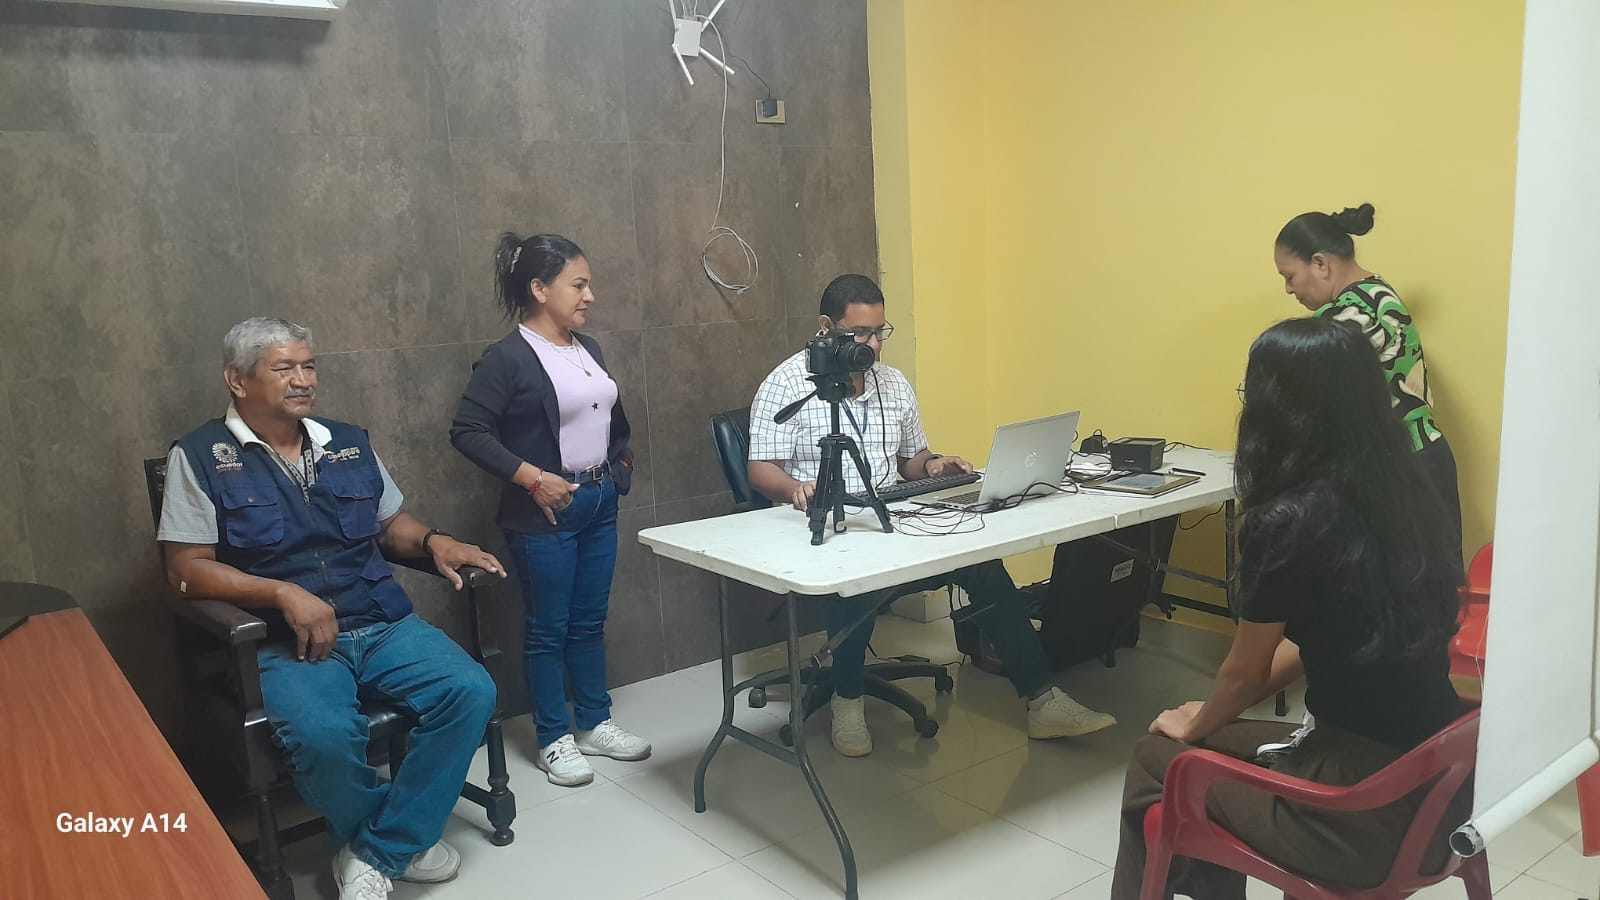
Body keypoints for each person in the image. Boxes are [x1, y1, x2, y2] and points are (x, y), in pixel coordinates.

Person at [1110, 317, 1465, 899]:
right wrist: (1214, 716)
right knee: (1202, 739)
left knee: (1157, 756)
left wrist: (1199, 721)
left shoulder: (1289, 520)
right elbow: (1319, 641)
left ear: (1277, 411)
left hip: (1359, 809)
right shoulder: (1408, 491)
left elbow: (1245, 671)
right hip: (1440, 787)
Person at [159, 317, 504, 900]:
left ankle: (378, 850)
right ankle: (400, 840)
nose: (303, 379)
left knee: (470, 690)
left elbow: (390, 525)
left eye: (309, 365)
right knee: (321, 735)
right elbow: (185, 569)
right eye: (284, 368)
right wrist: (280, 593)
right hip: (287, 640)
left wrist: (433, 541)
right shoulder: (200, 456)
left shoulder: (346, 441)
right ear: (237, 380)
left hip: (379, 619)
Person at [746, 273, 1116, 758]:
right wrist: (795, 488)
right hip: (824, 525)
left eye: (880, 332)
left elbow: (910, 460)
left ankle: (1042, 700)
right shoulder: (787, 383)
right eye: (861, 333)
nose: (873, 345)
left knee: (982, 565)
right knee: (859, 582)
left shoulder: (893, 382)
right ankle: (847, 700)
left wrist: (934, 465)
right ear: (826, 327)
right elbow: (760, 469)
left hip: (891, 516)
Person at [450, 232, 649, 787]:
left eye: (589, 285)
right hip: (544, 514)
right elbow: (467, 430)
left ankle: (594, 722)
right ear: (540, 289)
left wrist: (619, 467)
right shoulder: (509, 358)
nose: (590, 296)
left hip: (599, 502)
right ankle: (553, 738)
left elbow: (610, 419)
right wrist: (533, 479)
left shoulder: (588, 349)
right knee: (547, 629)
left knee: (588, 621)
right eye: (578, 285)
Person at [1273, 202, 1464, 564]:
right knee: (1437, 587)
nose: (1288, 289)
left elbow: (1313, 407)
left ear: (1320, 263)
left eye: (1290, 276)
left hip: (1395, 471)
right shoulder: (1379, 293)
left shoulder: (1345, 316)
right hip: (1427, 458)